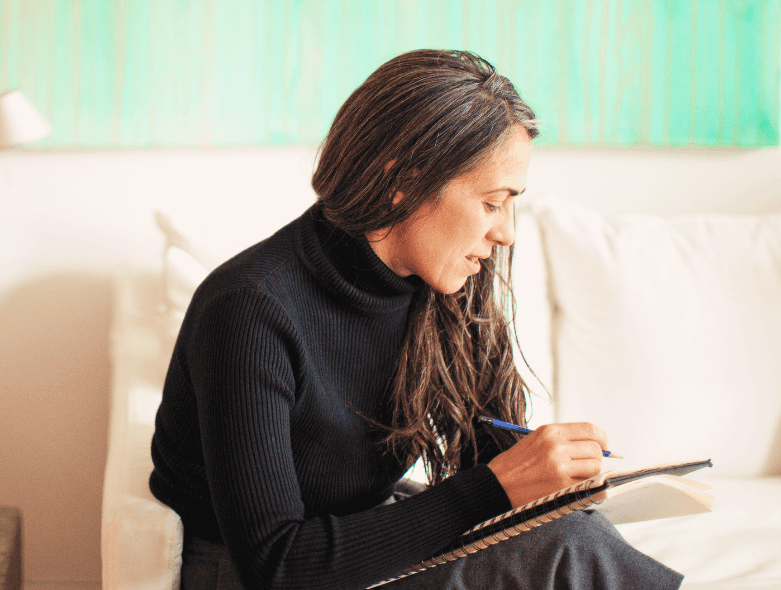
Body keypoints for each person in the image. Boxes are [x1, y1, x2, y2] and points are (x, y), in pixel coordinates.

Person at [149, 50, 682, 590]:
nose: (507, 233)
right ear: (402, 181)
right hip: (256, 571)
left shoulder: (443, 284)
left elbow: (485, 453)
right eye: (493, 203)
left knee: (568, 529)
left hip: (354, 532)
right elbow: (277, 565)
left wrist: (549, 476)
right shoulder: (248, 309)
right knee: (570, 548)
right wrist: (496, 487)